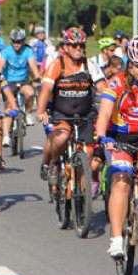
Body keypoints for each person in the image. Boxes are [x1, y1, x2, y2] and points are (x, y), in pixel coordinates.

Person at [95, 34, 138, 258]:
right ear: (129, 63)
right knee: (122, 179)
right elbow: (105, 111)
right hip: (119, 137)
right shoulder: (117, 82)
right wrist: (102, 135)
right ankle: (116, 237)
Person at [37, 28, 97, 182]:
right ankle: (55, 162)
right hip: (62, 113)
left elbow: (105, 88)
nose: (78, 48)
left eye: (81, 45)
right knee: (61, 138)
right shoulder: (57, 65)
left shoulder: (89, 64)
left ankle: (83, 196)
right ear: (65, 47)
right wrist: (40, 110)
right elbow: (46, 89)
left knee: (89, 154)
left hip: (85, 114)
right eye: (74, 45)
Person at [0, 28, 40, 129]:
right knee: (9, 106)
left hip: (23, 81)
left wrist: (37, 77)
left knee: (30, 93)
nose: (16, 44)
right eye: (14, 41)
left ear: (23, 41)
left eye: (19, 42)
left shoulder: (28, 50)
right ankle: (6, 136)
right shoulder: (6, 51)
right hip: (9, 81)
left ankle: (28, 113)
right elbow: (1, 65)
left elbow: (33, 66)